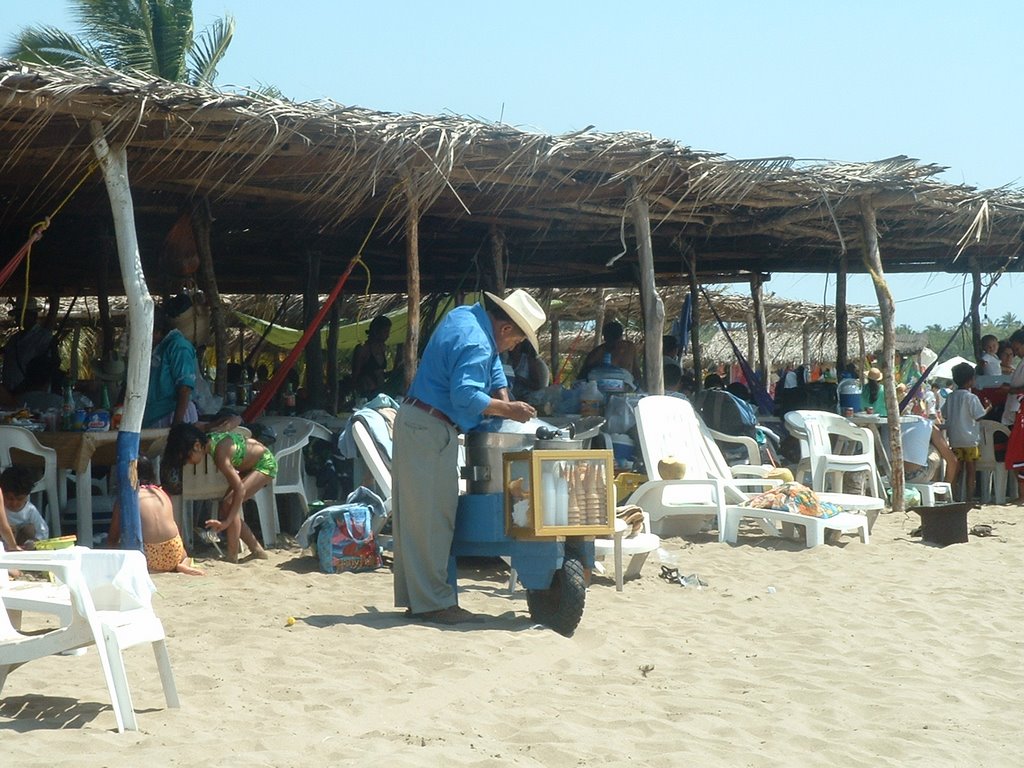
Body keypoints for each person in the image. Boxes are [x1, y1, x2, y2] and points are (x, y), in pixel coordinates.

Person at [392, 290, 545, 626]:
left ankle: (419, 599)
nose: (512, 348)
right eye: (516, 341)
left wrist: (503, 400)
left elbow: (492, 365)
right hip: (430, 426)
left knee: (418, 519)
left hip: (420, 422)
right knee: (434, 519)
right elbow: (465, 393)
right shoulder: (477, 340)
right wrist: (509, 409)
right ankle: (433, 604)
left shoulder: (467, 316)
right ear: (505, 329)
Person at [163, 423, 275, 563]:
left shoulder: (220, 455)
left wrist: (227, 522)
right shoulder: (209, 442)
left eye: (186, 458)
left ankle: (232, 555)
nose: (187, 463)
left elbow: (240, 490)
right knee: (226, 506)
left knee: (229, 503)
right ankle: (257, 550)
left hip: (265, 464)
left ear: (197, 446)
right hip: (250, 465)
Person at [107, 456, 203, 575]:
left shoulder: (127, 498)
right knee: (180, 548)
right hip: (174, 551)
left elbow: (113, 537)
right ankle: (182, 563)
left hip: (150, 556)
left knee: (119, 543)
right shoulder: (161, 492)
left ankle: (154, 568)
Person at [143, 306, 199, 428]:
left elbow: (185, 389)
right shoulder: (156, 348)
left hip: (175, 415)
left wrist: (177, 426)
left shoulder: (178, 347)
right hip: (155, 416)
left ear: (156, 330)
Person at [942, 362, 989, 502]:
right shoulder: (971, 397)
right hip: (970, 440)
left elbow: (944, 414)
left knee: (956, 470)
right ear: (970, 380)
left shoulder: (950, 397)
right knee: (971, 471)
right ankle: (969, 498)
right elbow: (979, 416)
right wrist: (988, 408)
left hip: (955, 439)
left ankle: (955, 497)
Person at [2, 296, 53, 393]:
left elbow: (46, 366)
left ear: (33, 316)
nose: (18, 319)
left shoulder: (43, 337)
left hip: (31, 393)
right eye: (18, 315)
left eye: (22, 315)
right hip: (9, 392)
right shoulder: (15, 338)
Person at [0, 465, 48, 549]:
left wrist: (34, 542)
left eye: (19, 499)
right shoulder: (2, 508)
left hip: (24, 544)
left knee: (29, 529)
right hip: (5, 543)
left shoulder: (30, 510)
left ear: (27, 496)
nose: (14, 503)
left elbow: (43, 531)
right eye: (10, 498)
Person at [351, 314, 392, 399]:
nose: (388, 335)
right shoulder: (363, 349)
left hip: (381, 392)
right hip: (366, 393)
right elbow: (355, 375)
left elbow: (380, 372)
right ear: (376, 331)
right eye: (385, 332)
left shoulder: (382, 348)